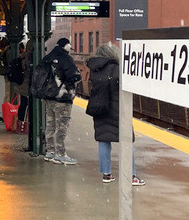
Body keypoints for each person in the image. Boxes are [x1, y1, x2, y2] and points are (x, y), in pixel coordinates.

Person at [86, 42, 144, 185]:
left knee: (104, 140)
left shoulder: (95, 70)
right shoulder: (117, 69)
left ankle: (106, 174)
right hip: (118, 110)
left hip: (100, 109)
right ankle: (131, 176)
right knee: (126, 142)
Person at [35, 37, 82, 164]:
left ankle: (50, 152)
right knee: (61, 126)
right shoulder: (66, 59)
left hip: (48, 97)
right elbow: (74, 76)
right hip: (62, 97)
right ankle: (60, 154)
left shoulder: (47, 58)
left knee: (50, 125)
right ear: (66, 46)